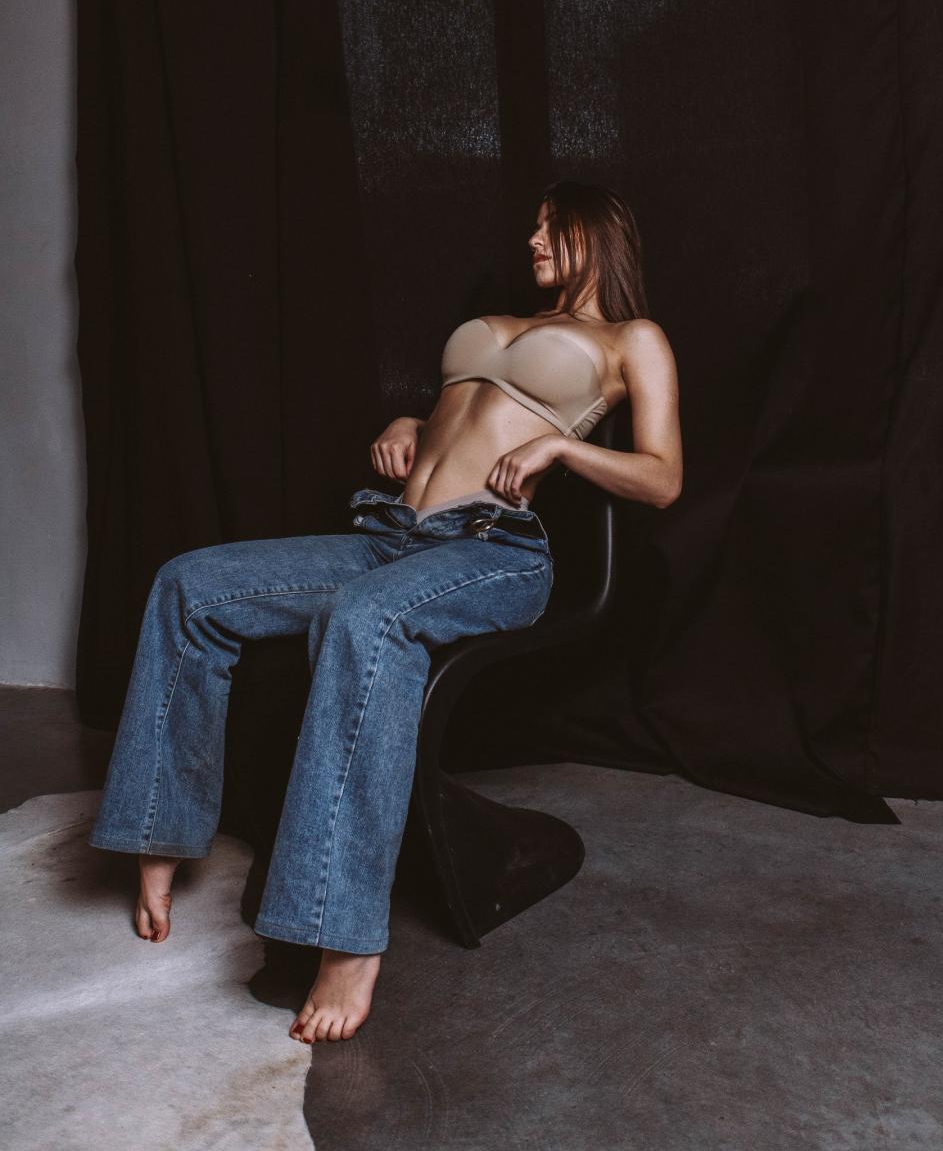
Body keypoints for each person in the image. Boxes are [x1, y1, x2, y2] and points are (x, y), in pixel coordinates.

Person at [87, 180, 683, 1044]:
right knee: (190, 585)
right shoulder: (507, 324)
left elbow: (662, 477)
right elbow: (469, 413)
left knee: (365, 619)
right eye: (533, 227)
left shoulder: (633, 339)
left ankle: (345, 939)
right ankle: (160, 836)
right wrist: (411, 420)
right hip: (389, 533)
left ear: (595, 233)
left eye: (550, 228)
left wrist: (563, 446)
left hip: (491, 551)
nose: (532, 241)